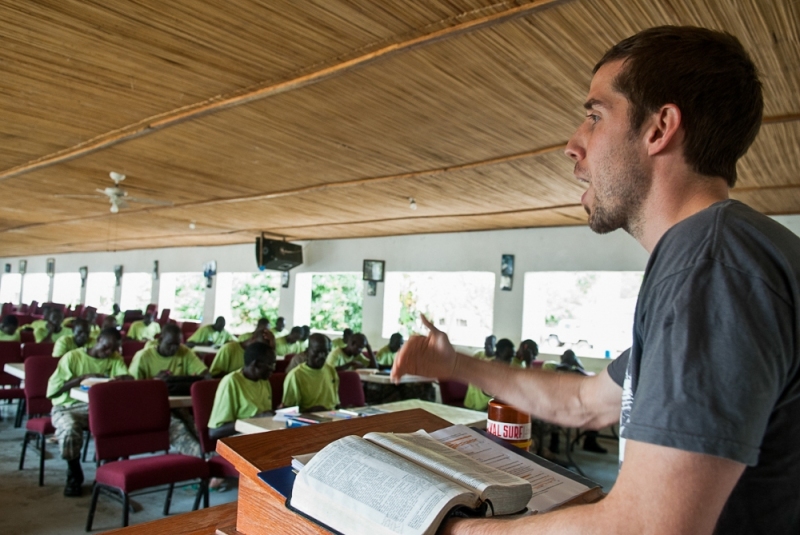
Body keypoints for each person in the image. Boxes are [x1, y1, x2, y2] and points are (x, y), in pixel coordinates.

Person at [393, 26, 800, 534]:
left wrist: (452, 528)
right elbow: (584, 403)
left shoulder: (713, 266)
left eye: (594, 116)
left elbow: (646, 527)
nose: (573, 145)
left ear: (659, 129)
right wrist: (457, 364)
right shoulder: (710, 255)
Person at [47, 328, 131, 497]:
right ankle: (73, 474)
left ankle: (106, 474)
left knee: (120, 425)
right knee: (69, 430)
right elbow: (53, 391)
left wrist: (119, 379)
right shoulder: (73, 357)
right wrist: (80, 379)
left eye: (113, 349)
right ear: (98, 340)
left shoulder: (115, 358)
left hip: (96, 408)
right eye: (105, 347)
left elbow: (128, 378)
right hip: (67, 406)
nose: (108, 353)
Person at [208, 342, 277, 440]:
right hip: (240, 440)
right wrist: (255, 419)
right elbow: (214, 432)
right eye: (270, 364)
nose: (273, 368)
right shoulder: (231, 382)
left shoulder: (263, 381)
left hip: (262, 435)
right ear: (256, 364)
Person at [128, 324, 208, 380]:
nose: (174, 348)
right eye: (170, 344)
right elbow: (132, 385)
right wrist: (154, 380)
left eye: (177, 344)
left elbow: (205, 374)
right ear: (160, 340)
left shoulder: (185, 351)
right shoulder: (143, 356)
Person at [282, 334, 339, 412]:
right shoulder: (295, 375)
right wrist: (310, 411)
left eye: (325, 352)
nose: (322, 356)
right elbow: (288, 411)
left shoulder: (331, 370)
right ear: (307, 351)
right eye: (317, 352)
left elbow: (336, 403)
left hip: (332, 416)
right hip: (308, 420)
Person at [463, 339, 515, 411]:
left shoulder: (506, 371)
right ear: (497, 354)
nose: (509, 361)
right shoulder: (484, 369)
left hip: (491, 410)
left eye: (511, 357)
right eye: (507, 358)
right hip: (476, 410)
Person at [209, 326, 276, 377]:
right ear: (253, 338)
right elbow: (214, 374)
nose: (262, 350)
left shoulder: (262, 353)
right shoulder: (229, 349)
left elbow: (270, 370)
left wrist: (273, 347)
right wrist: (241, 378)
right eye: (260, 346)